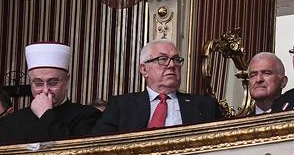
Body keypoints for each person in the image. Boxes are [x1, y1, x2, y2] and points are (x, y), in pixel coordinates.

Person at [92, 40, 225, 133]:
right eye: (163, 59)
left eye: (176, 59)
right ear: (144, 69)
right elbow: (97, 146)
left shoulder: (205, 106)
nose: (172, 65)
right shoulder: (122, 106)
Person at [0, 42, 101, 145]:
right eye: (38, 83)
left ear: (67, 80)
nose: (45, 90)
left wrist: (45, 114)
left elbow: (71, 153)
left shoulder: (87, 116)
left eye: (53, 83)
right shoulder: (9, 123)